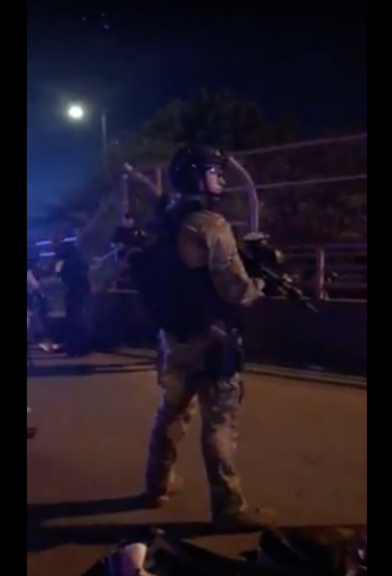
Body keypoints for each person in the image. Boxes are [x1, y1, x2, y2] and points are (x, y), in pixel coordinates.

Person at [136, 144, 274, 528]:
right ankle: (229, 507)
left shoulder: (161, 222)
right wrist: (262, 282)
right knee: (219, 421)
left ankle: (156, 484)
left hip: (172, 336)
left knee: (172, 411)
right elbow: (236, 290)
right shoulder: (210, 225)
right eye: (214, 170)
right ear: (197, 176)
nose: (222, 178)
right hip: (212, 337)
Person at [55, 234, 93, 357]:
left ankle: (73, 348)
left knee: (73, 321)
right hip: (83, 293)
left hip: (73, 293)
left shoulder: (67, 263)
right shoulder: (81, 261)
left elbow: (62, 276)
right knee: (80, 321)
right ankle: (81, 347)